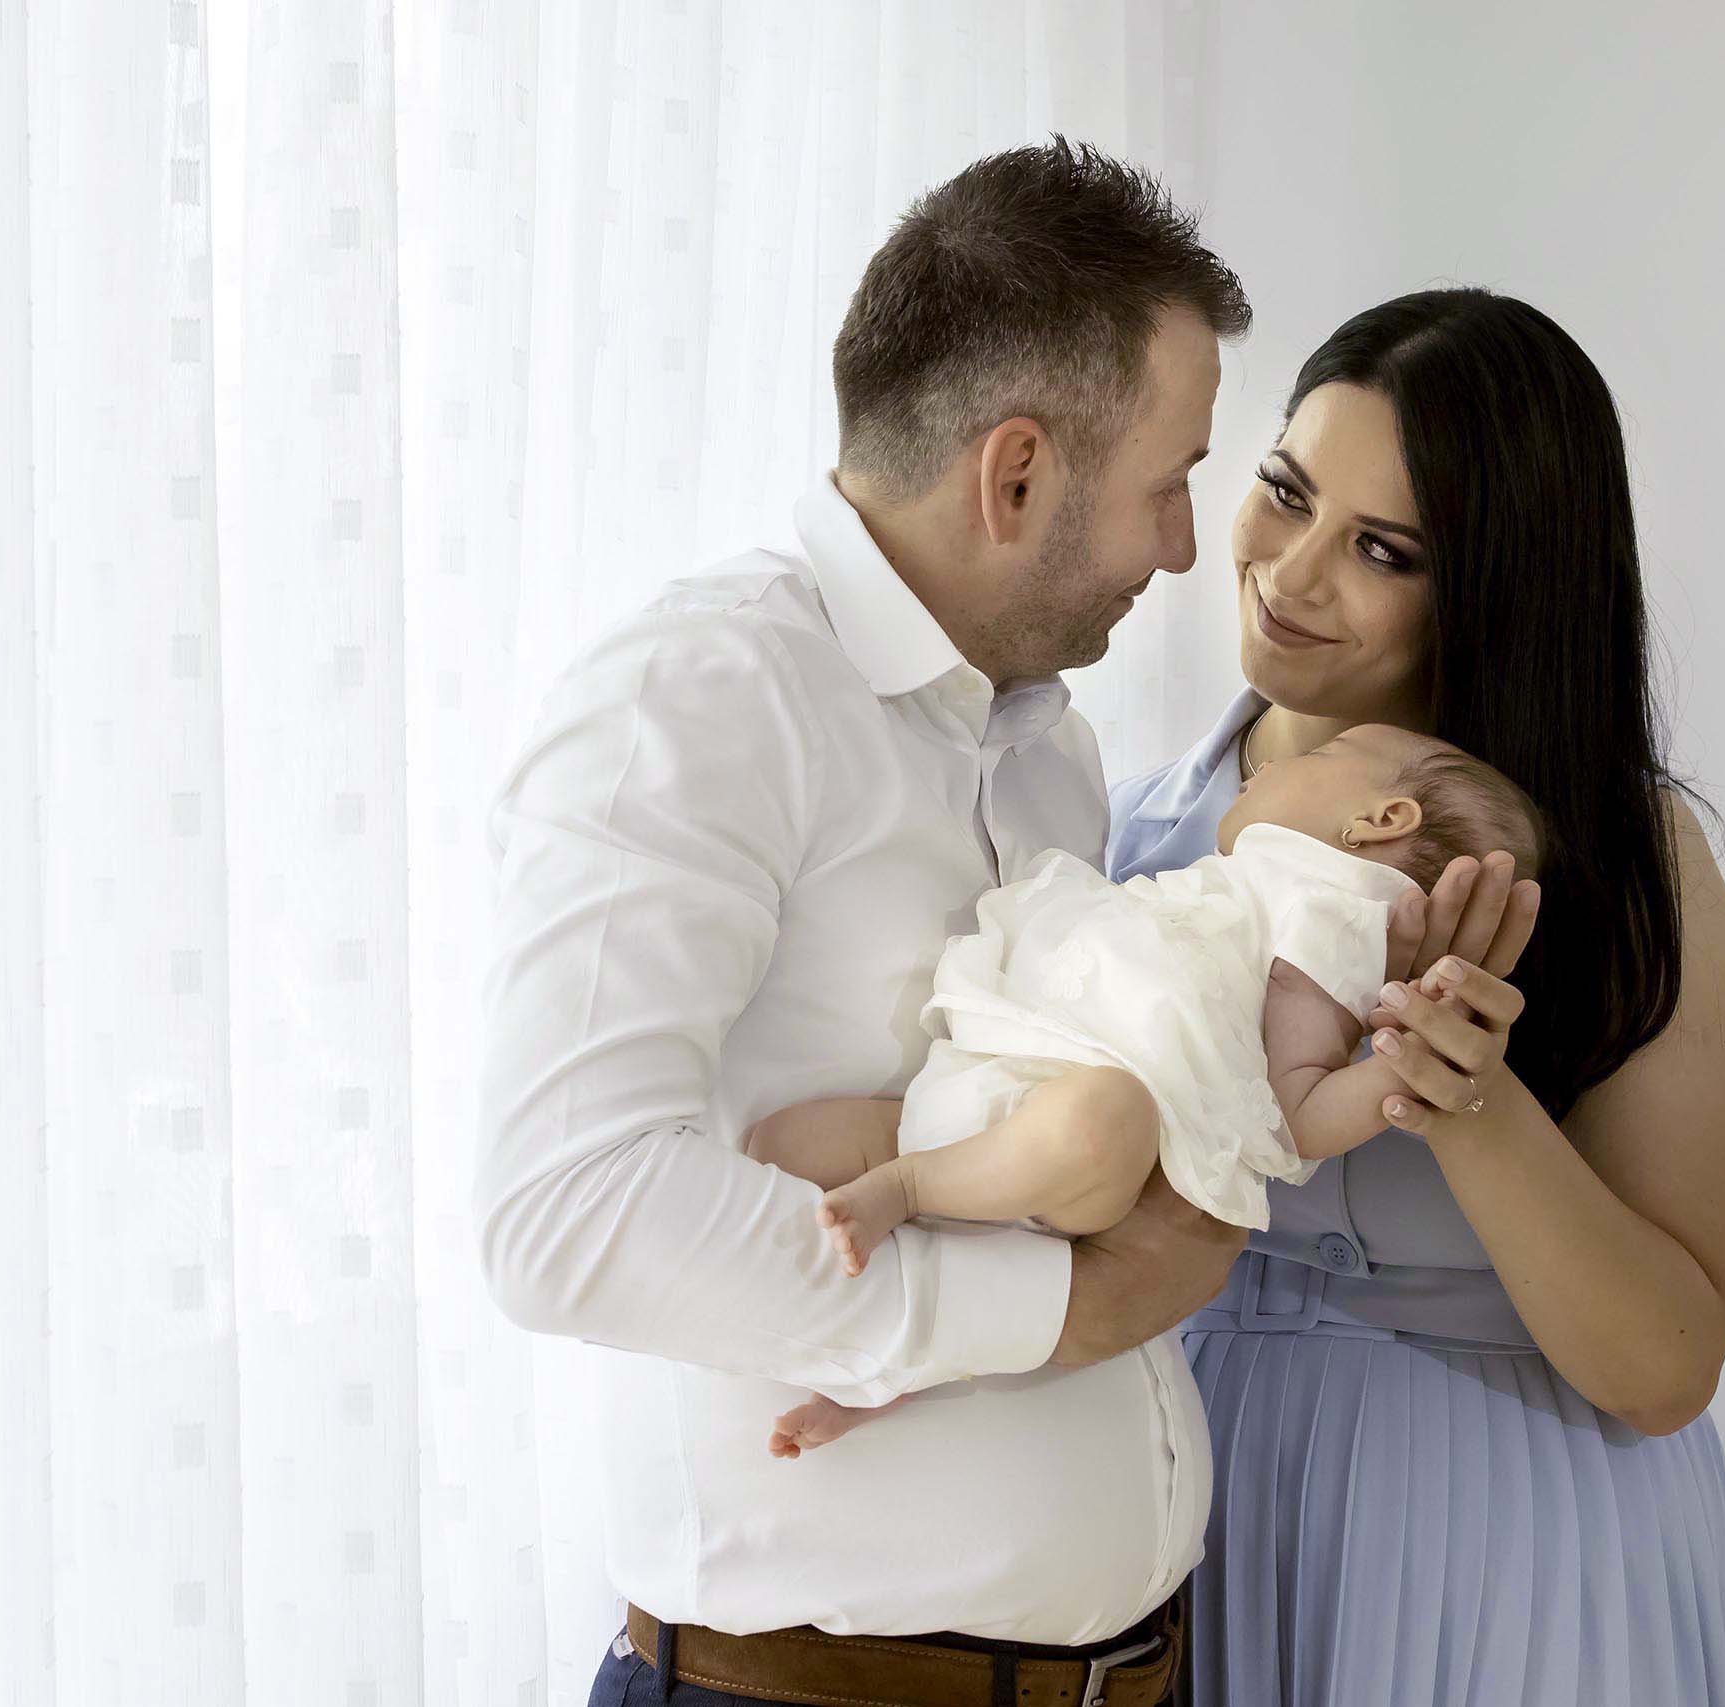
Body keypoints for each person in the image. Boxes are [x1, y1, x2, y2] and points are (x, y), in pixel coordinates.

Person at [477, 139, 1256, 1703]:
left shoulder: (1054, 749)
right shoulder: (698, 698)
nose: (1183, 547)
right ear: (1015, 473)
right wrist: (1059, 1307)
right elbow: (563, 1210)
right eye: (1168, 481)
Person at [1113, 288, 1725, 1705]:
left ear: (1499, 585)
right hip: (1177, 1508)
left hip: (1507, 1536)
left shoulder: (1625, 861)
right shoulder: (1122, 838)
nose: (1289, 572)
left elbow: (1661, 1369)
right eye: (1285, 492)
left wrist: (1463, 1096)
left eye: (1383, 550)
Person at [745, 726, 1547, 1459]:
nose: (1265, 765)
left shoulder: (1331, 905)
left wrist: (1399, 1062)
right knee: (783, 1143)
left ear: (1378, 820)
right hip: (1008, 1063)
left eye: (1312, 760)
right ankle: (872, 1371)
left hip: (1088, 1122)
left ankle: (907, 1207)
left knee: (1100, 1120)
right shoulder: (1230, 871)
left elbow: (1297, 1113)